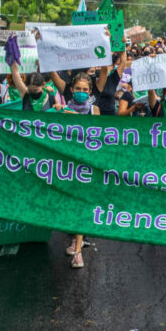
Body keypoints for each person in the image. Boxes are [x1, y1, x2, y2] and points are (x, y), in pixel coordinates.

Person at [62, 73, 99, 268]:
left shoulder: (94, 110)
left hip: (87, 166)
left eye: (86, 90)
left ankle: (78, 252)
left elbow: (100, 134)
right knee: (70, 205)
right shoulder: (63, 110)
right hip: (67, 164)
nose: (82, 93)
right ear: (71, 89)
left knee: (81, 205)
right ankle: (76, 241)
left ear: (90, 91)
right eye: (78, 89)